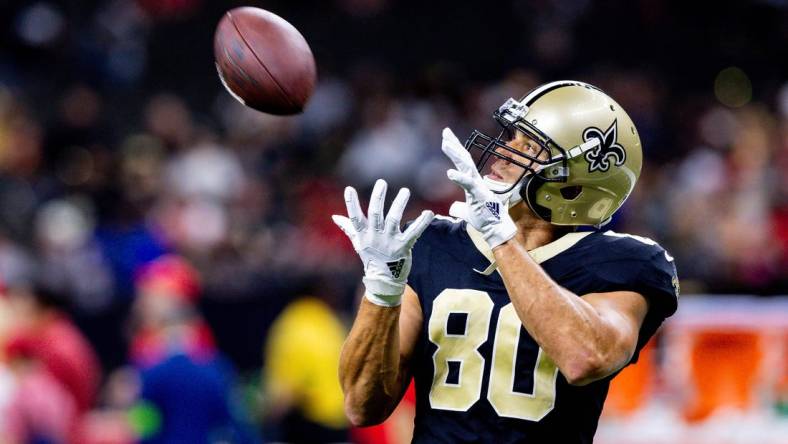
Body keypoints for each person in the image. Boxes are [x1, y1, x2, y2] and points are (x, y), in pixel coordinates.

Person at [334, 81, 679, 443]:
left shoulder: (622, 262)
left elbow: (585, 358)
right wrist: (382, 292)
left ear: (574, 185)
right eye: (510, 137)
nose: (502, 153)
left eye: (529, 148)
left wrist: (503, 239)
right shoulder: (431, 243)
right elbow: (362, 406)